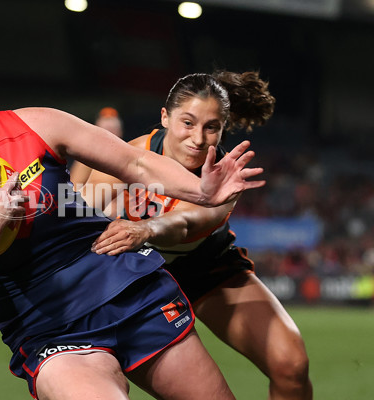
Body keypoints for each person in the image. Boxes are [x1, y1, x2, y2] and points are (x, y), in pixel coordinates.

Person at [0, 45, 266, 399]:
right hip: (52, 333)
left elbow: (134, 162)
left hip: (127, 290)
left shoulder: (35, 125)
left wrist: (203, 191)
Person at [84, 71, 313, 399]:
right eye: (187, 123)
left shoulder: (225, 178)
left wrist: (147, 228)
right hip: (137, 280)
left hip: (206, 270)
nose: (198, 139)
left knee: (291, 364)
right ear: (165, 117)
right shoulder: (127, 156)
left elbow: (185, 225)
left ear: (223, 128)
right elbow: (79, 216)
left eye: (211, 127)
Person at [69, 106, 123, 191]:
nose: (110, 137)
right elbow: (73, 188)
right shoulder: (88, 156)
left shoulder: (126, 155)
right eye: (106, 131)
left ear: (120, 132)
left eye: (112, 131)